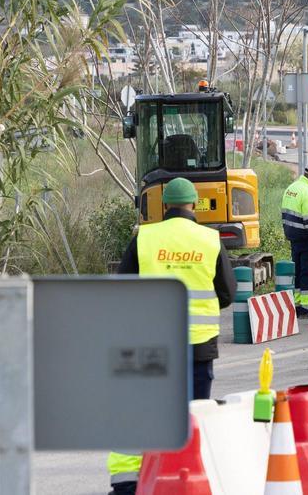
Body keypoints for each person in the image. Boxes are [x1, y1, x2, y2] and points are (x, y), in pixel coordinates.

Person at [107, 177, 235, 494]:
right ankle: (187, 482)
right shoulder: (209, 239)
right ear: (194, 205)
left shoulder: (145, 237)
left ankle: (133, 485)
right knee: (193, 418)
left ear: (165, 205)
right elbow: (228, 293)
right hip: (199, 348)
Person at [281, 162, 308, 316]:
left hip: (293, 237)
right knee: (306, 272)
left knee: (297, 271)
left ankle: (297, 303)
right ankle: (306, 307)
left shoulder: (291, 188)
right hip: (306, 238)